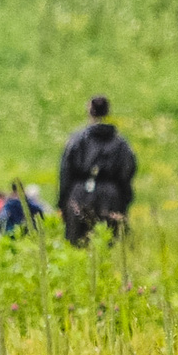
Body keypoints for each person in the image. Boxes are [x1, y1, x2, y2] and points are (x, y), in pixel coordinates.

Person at [57, 95, 139, 244]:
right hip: (111, 195)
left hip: (79, 194)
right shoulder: (120, 143)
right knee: (109, 242)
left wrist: (63, 202)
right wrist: (124, 199)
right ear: (108, 111)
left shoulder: (76, 140)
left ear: (89, 111)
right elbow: (127, 170)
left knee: (78, 243)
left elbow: (66, 171)